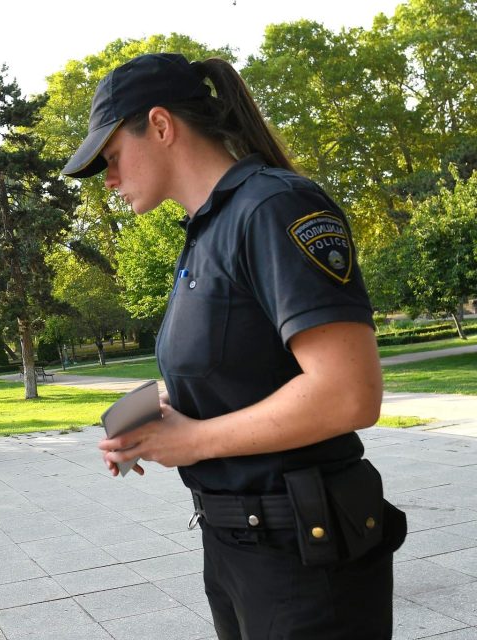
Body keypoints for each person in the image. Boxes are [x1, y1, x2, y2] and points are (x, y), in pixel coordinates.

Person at [63, 53, 406, 639]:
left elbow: (350, 393)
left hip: (305, 558)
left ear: (163, 126)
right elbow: (234, 370)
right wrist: (150, 421)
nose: (110, 180)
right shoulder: (207, 231)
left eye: (112, 156)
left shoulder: (274, 207)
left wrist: (193, 441)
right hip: (237, 549)